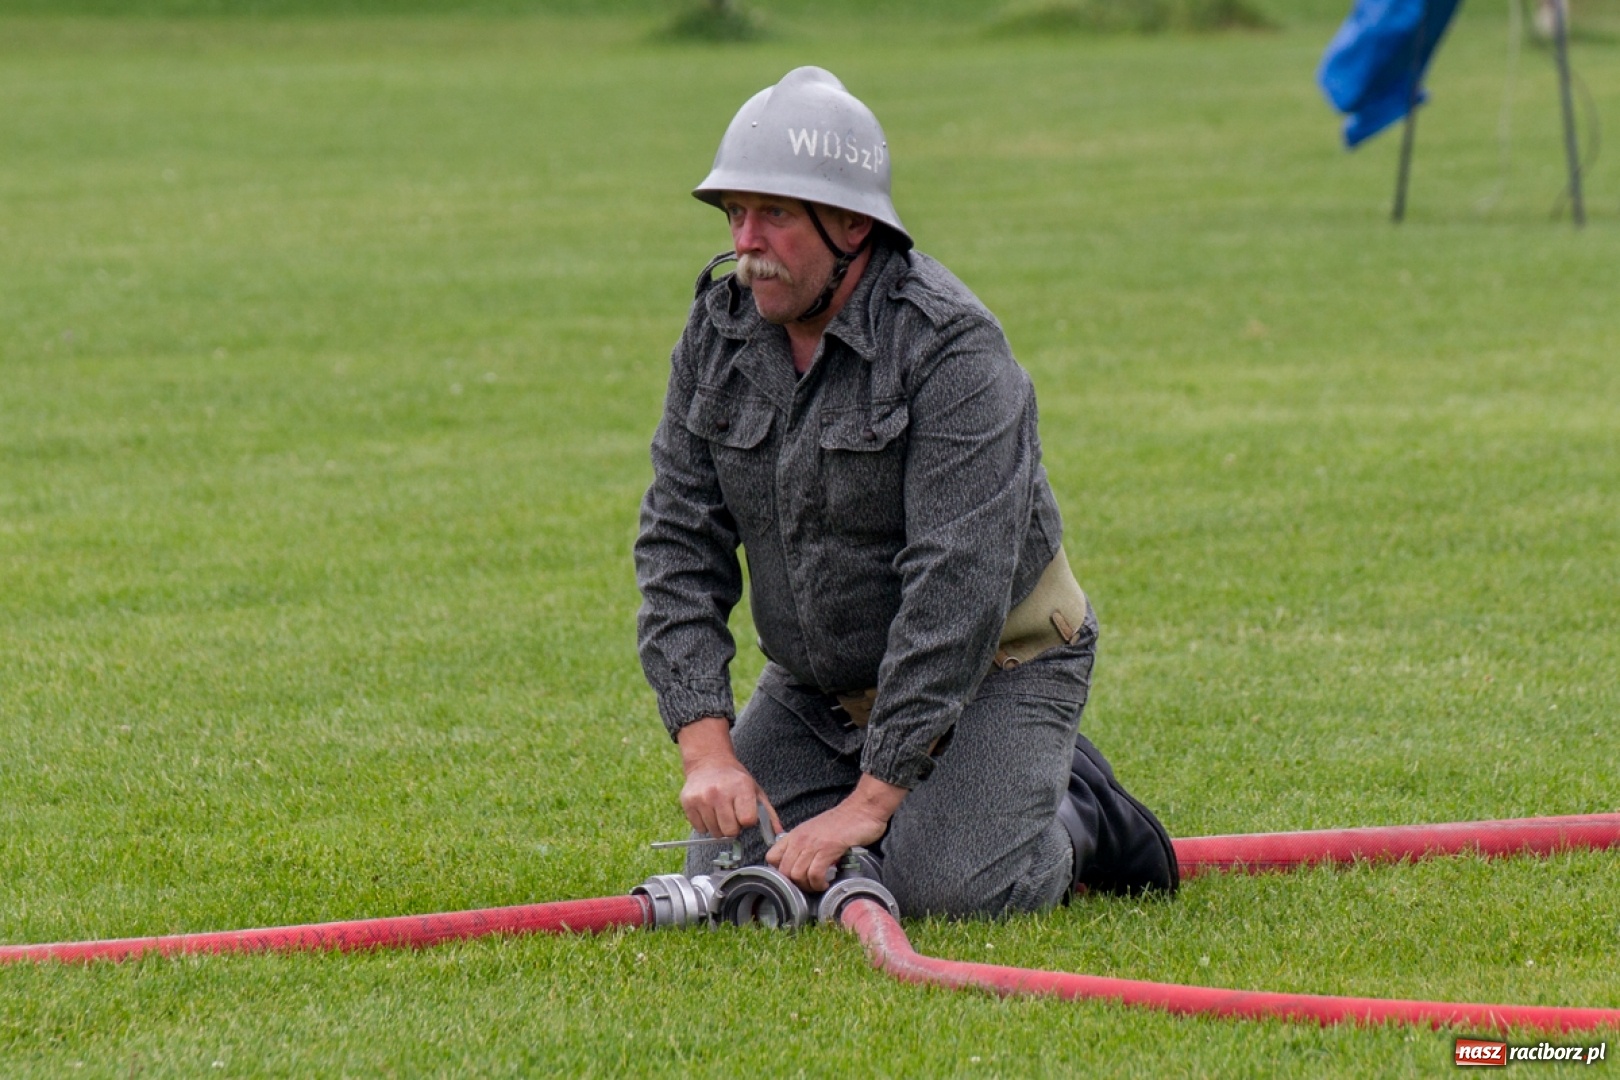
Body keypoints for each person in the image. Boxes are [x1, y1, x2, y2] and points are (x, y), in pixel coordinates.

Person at [634, 67, 1177, 918]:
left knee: (942, 889)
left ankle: (1078, 812)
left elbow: (955, 590)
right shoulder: (718, 331)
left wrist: (871, 803)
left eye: (774, 214)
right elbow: (676, 543)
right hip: (821, 684)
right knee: (734, 870)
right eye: (735, 213)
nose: (747, 241)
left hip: (999, 664)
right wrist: (708, 747)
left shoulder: (954, 348)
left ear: (851, 223)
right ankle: (938, 791)